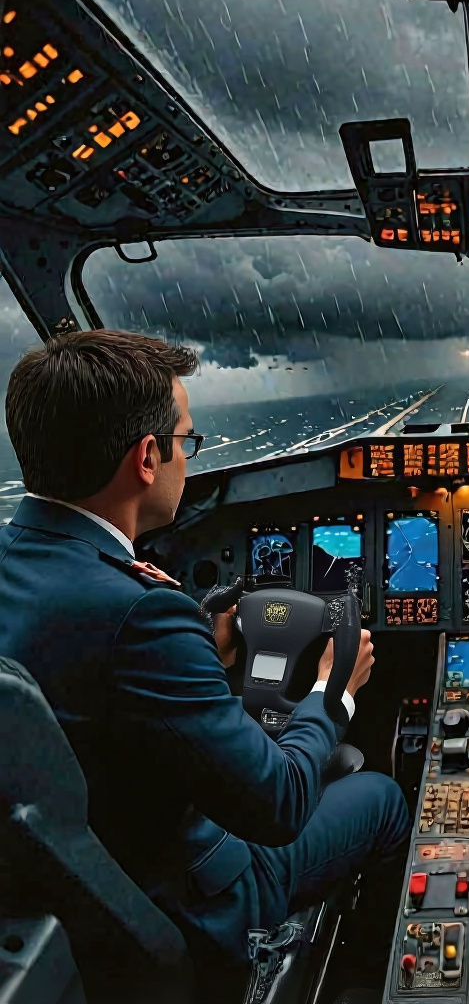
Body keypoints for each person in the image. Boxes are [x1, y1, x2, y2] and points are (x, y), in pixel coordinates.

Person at [0, 330, 411, 970]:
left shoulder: (16, 562)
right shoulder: (141, 613)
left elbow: (100, 698)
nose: (189, 458)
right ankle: (368, 970)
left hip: (77, 896)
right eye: (186, 440)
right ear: (145, 458)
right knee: (382, 797)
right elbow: (280, 805)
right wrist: (334, 694)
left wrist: (201, 657)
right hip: (185, 899)